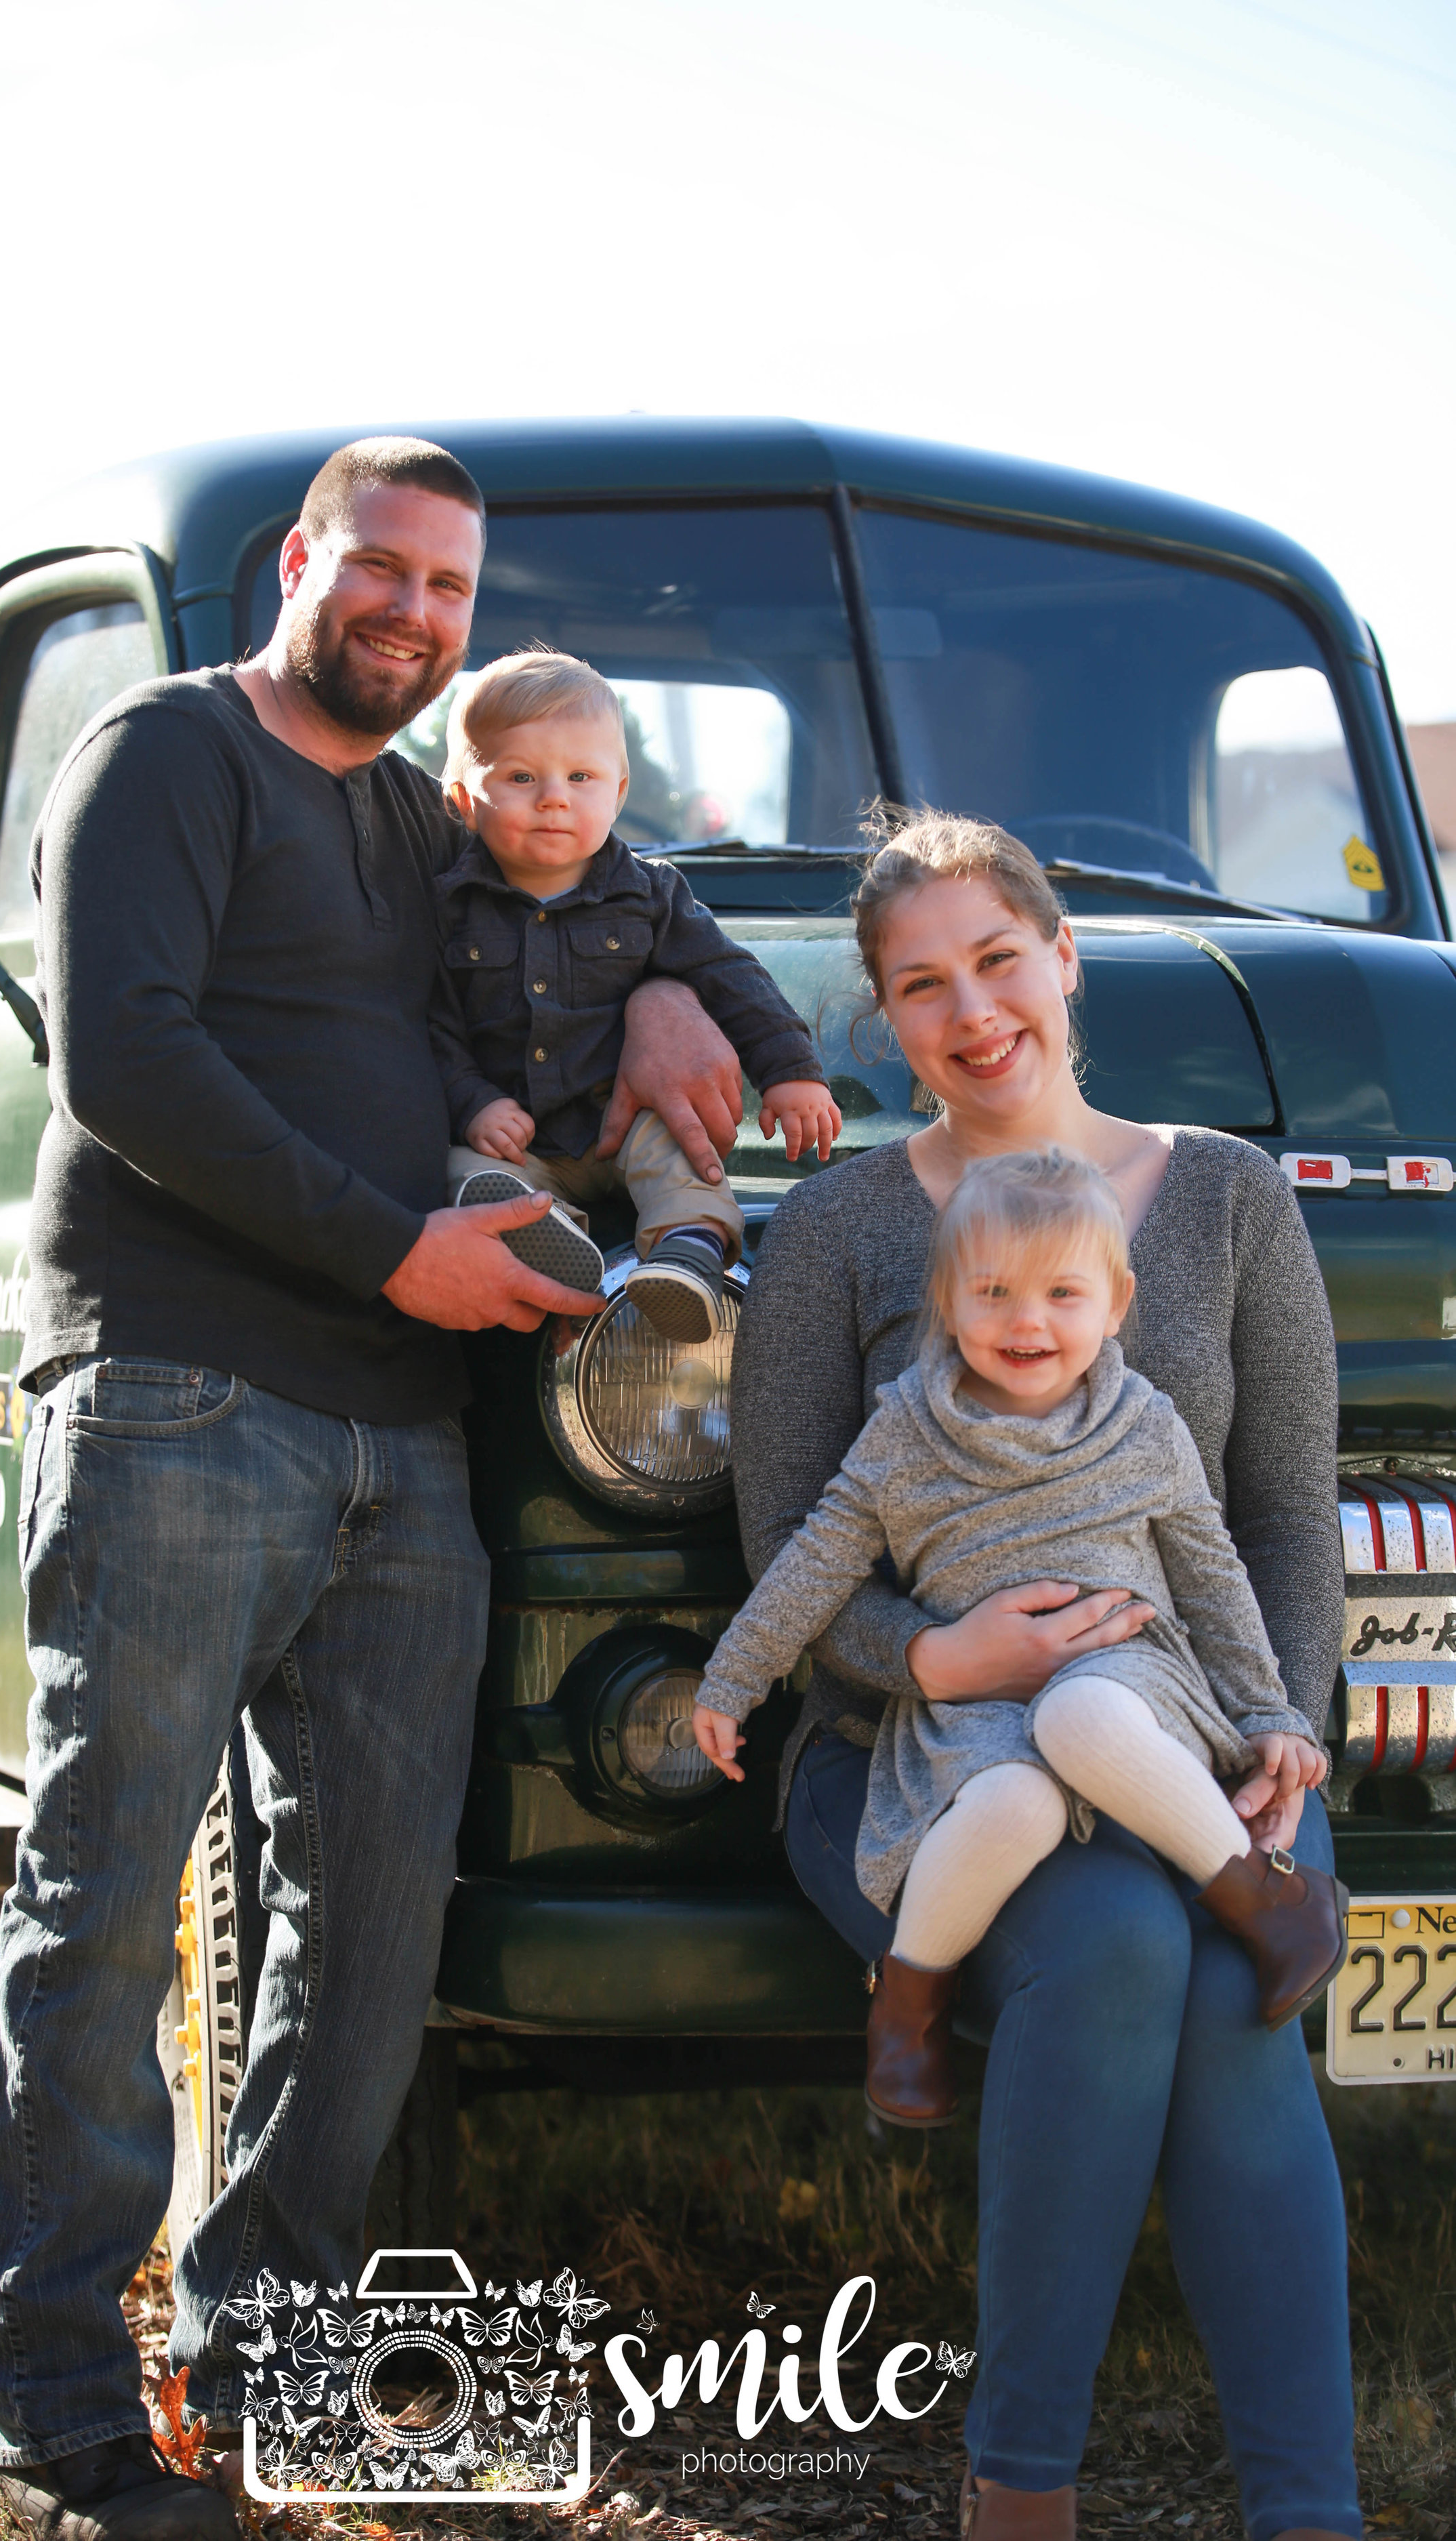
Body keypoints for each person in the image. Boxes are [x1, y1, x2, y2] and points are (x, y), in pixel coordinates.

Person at [0, 437, 748, 2541]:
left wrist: (666, 978)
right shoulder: (164, 754)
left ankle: (278, 2357)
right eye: (379, 568)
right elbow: (121, 1057)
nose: (413, 611)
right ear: (301, 561)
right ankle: (52, 2406)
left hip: (408, 1437)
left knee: (370, 1929)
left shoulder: (426, 816)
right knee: (108, 1896)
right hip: (174, 1393)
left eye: (448, 589)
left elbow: (589, 918)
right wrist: (392, 1244)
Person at [729, 810, 1361, 2541]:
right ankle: (1022, 2492)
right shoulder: (837, 1231)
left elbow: (1285, 1517)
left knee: (1237, 1971)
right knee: (1114, 1939)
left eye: (998, 958)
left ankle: (1313, 2514)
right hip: (926, 1774)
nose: (972, 1009)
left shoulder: (1230, 1196)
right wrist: (934, 1652)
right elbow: (783, 1551)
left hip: (1191, 1748)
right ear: (885, 1020)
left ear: (1065, 955)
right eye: (920, 984)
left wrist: (1276, 1736)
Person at [693, 1144, 1346, 2124]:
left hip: (1131, 1676)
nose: (1027, 1319)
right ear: (946, 1301)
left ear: (1116, 1302)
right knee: (1010, 1804)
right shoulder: (906, 1433)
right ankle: (908, 2004)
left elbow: (1215, 1576)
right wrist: (733, 1678)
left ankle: (1269, 1902)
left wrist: (1270, 1709)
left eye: (1062, 1292)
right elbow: (814, 1560)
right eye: (992, 1290)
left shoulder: (1142, 1424)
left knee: (1081, 1714)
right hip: (977, 1704)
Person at [431, 648, 841, 1341]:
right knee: (458, 1169)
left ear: (618, 792)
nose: (554, 796)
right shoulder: (446, 911)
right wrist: (473, 1101)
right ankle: (556, 1243)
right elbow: (430, 1021)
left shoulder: (652, 895)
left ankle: (687, 1254)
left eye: (580, 776)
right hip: (518, 1134)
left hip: (623, 1117)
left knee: (682, 1156)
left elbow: (731, 977)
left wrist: (791, 1072)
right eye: (522, 776)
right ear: (464, 801)